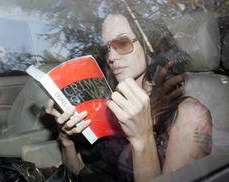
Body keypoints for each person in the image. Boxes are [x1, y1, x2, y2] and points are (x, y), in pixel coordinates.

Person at [45, 14, 212, 182]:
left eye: (122, 43)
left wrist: (142, 138)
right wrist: (66, 139)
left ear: (151, 45)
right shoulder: (109, 106)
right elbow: (80, 174)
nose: (111, 57)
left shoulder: (190, 115)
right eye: (106, 49)